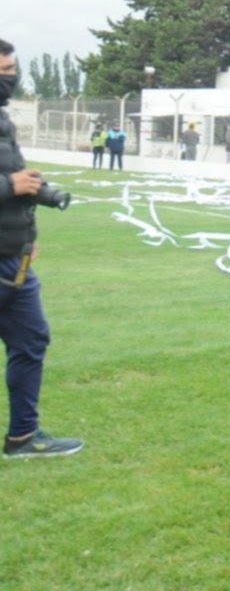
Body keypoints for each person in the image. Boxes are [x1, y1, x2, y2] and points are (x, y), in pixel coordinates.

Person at [0, 38, 82, 458]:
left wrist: (31, 196)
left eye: (12, 71)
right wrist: (9, 185)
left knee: (32, 341)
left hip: (14, 261)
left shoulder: (3, 120)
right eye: (3, 72)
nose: (9, 79)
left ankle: (23, 437)